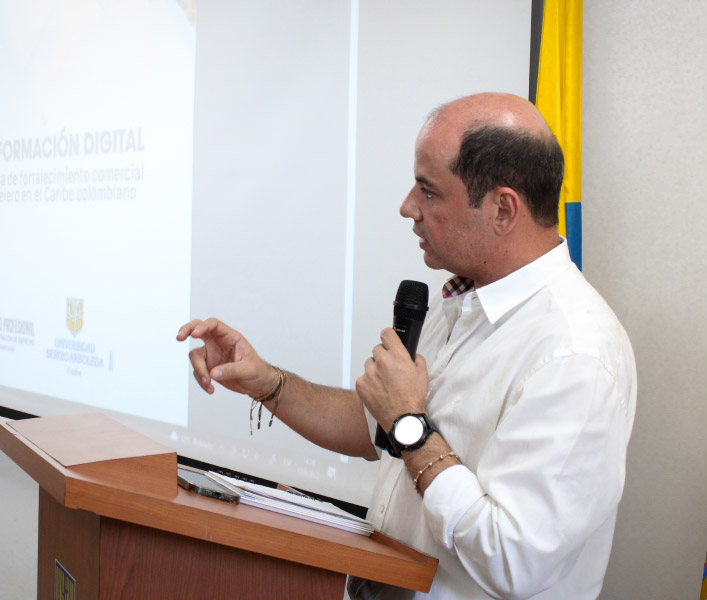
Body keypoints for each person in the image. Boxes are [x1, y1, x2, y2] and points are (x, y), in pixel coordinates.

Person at [177, 93, 637, 599]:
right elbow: (375, 426)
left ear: (503, 209)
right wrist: (268, 382)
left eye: (429, 191)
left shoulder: (574, 354)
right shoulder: (462, 302)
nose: (408, 207)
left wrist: (409, 426)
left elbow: (514, 561)